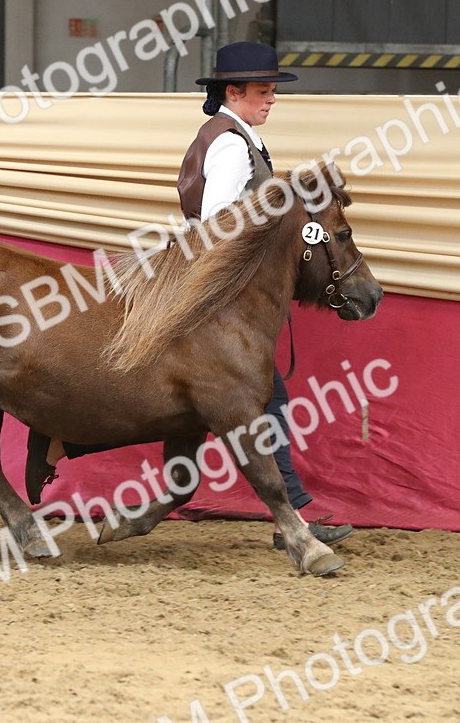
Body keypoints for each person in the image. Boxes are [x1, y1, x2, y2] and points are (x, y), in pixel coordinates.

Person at [24, 41, 353, 549]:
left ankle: (295, 519)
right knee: (212, 391)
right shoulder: (226, 143)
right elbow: (221, 222)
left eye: (271, 92)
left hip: (212, 279)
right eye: (262, 92)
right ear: (233, 91)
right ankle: (63, 435)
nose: (270, 100)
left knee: (254, 396)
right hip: (209, 282)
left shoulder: (239, 136)